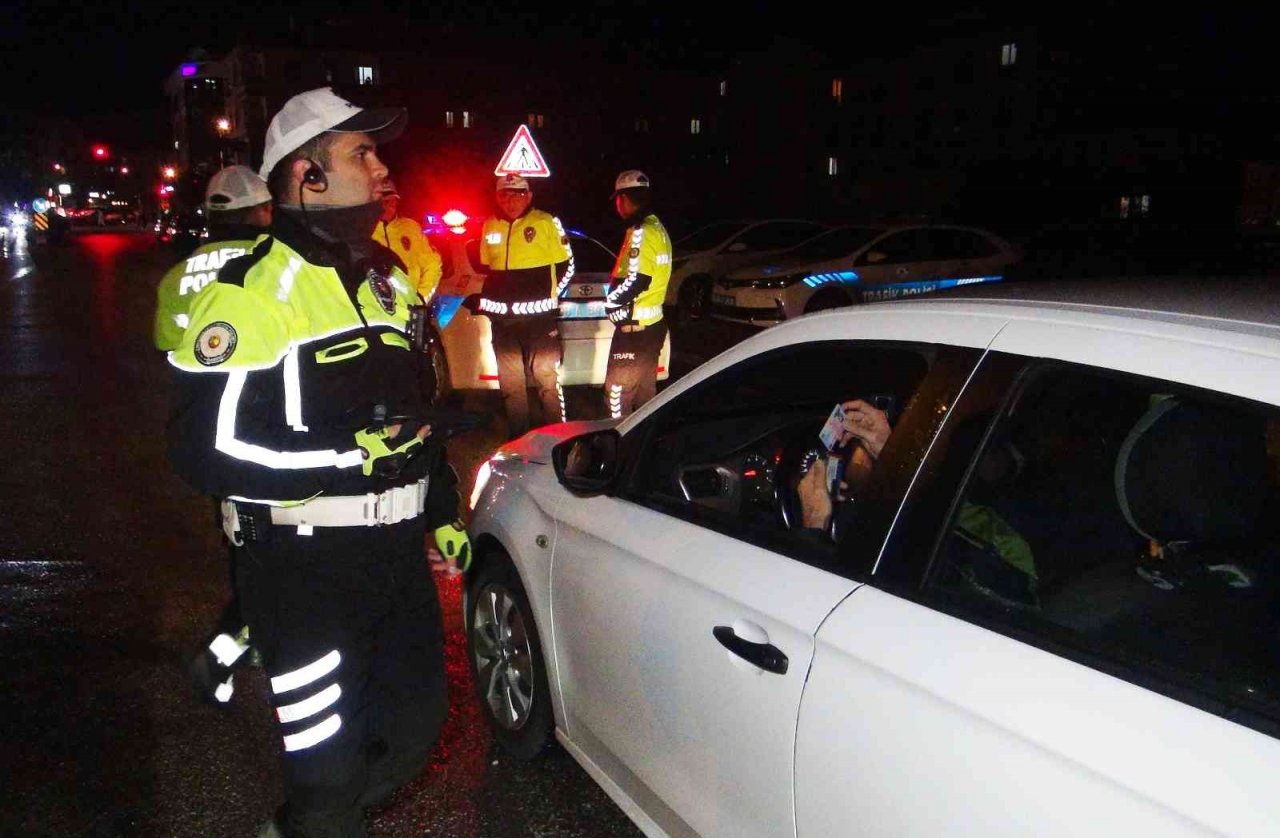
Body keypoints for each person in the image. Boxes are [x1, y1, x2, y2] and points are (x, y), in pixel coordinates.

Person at [165, 86, 469, 837]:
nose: (383, 168)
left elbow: (417, 421)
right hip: (303, 570)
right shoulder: (252, 295)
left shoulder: (391, 281)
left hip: (395, 561)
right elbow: (206, 447)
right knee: (327, 772)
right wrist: (344, 457)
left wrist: (441, 510)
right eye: (362, 153)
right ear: (309, 174)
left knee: (414, 733)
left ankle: (308, 824)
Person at [154, 164, 273, 708]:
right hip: (266, 428)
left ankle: (251, 635)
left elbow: (168, 349)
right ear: (261, 212)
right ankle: (233, 645)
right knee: (279, 550)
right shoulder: (273, 264)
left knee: (243, 539)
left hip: (205, 434)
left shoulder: (177, 275)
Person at [467, 173, 574, 438]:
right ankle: (519, 440)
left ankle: (558, 436)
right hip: (503, 323)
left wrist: (551, 297)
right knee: (511, 386)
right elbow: (487, 267)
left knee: (547, 381)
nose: (511, 200)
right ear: (497, 197)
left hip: (539, 321)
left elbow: (567, 265)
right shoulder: (490, 225)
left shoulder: (546, 222)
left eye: (518, 194)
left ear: (529, 196)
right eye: (505, 194)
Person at [603, 170, 672, 419]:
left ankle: (618, 438)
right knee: (645, 394)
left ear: (623, 199)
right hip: (652, 326)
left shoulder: (641, 232)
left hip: (634, 329)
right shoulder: (658, 229)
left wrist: (611, 303)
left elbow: (638, 280)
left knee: (616, 393)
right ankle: (645, 439)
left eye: (618, 200)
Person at [372, 182, 442, 304]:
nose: (387, 207)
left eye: (391, 201)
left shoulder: (411, 228)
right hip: (375, 308)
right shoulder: (363, 230)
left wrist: (420, 299)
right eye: (382, 202)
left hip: (410, 307)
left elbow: (433, 265)